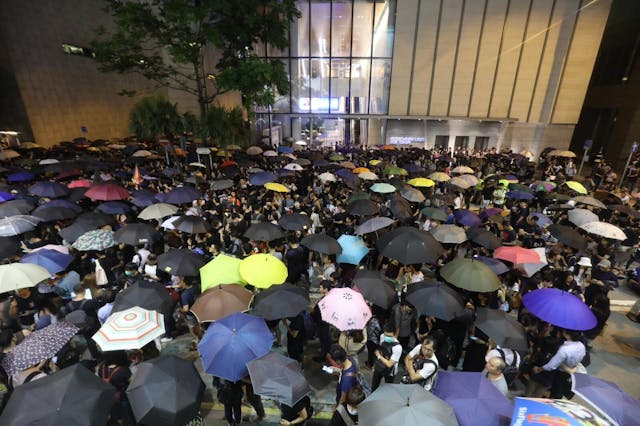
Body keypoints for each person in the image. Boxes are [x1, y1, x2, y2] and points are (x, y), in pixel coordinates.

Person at [531, 329, 587, 399]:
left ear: (566, 334)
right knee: (557, 393)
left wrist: (539, 369)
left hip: (560, 373)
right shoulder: (581, 346)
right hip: (570, 372)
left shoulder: (564, 349)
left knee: (554, 392)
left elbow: (551, 366)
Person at [371, 322, 402, 391]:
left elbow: (389, 364)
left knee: (388, 388)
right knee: (374, 385)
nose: (386, 337)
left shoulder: (397, 347)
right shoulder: (382, 336)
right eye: (385, 335)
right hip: (379, 366)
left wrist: (379, 356)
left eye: (389, 336)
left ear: (395, 334)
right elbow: (381, 349)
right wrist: (375, 365)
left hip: (389, 371)